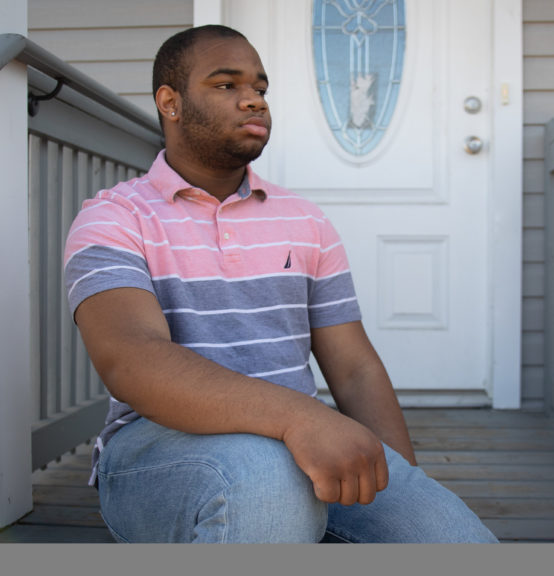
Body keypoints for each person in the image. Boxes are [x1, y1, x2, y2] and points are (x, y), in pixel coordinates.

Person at [63, 24, 498, 543]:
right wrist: (299, 418)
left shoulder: (305, 221)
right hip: (159, 451)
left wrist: (396, 478)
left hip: (302, 444)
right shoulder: (115, 218)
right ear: (170, 102)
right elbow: (132, 360)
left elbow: (355, 369)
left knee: (456, 541)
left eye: (261, 89)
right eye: (227, 85)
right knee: (263, 478)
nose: (252, 101)